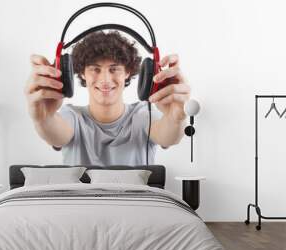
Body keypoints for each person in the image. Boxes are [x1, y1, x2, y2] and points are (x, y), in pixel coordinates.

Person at [24, 31, 190, 166]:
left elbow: (169, 135)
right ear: (82, 73)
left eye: (114, 69)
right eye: (95, 69)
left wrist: (176, 118)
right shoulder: (72, 117)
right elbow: (55, 133)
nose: (104, 80)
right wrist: (43, 119)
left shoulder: (142, 115)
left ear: (127, 73)